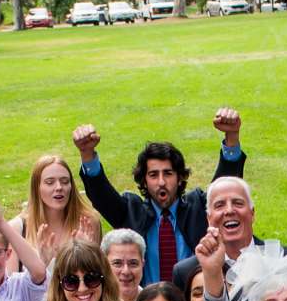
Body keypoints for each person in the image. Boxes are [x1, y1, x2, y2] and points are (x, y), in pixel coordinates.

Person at [71, 109, 247, 282]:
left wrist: (232, 137)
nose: (161, 182)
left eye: (168, 173)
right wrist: (87, 154)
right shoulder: (131, 212)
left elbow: (225, 187)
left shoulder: (198, 207)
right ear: (145, 181)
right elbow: (102, 195)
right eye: (154, 175)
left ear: (179, 178)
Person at [181, 175, 287, 301]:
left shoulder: (284, 259)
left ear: (252, 213)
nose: (229, 210)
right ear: (208, 218)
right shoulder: (186, 271)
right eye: (219, 205)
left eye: (238, 203)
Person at [9, 150, 103, 262]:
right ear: (36, 188)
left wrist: (87, 253)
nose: (59, 187)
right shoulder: (17, 228)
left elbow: (100, 274)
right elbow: (11, 278)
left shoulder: (88, 223)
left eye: (65, 181)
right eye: (50, 182)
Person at [101, 228, 147, 301]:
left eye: (133, 263)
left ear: (142, 264)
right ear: (104, 265)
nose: (126, 271)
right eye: (117, 263)